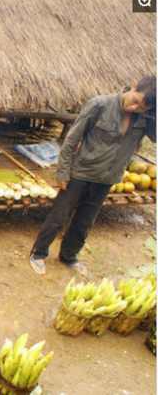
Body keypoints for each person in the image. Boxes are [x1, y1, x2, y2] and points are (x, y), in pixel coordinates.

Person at [29, 76, 156, 276]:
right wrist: (63, 171)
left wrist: (152, 113)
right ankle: (38, 253)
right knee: (59, 217)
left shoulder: (146, 118)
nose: (135, 108)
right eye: (135, 101)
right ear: (133, 87)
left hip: (107, 178)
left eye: (142, 108)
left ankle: (69, 255)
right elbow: (72, 138)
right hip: (80, 172)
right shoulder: (100, 104)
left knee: (85, 221)